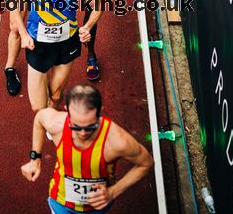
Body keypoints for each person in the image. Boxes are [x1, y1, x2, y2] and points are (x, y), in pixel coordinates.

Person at [21, 84, 154, 213]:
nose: (83, 133)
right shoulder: (56, 124)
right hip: (60, 202)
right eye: (76, 126)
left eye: (90, 127)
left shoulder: (117, 140)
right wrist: (35, 158)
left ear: (99, 110)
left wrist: (112, 192)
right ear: (67, 110)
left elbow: (146, 163)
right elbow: (39, 119)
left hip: (97, 207)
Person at [9, 0, 101, 112]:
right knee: (38, 107)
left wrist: (88, 26)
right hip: (38, 45)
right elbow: (12, 0)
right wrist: (23, 34)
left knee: (56, 95)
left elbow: (97, 6)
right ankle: (46, 120)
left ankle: (51, 117)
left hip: (66, 44)